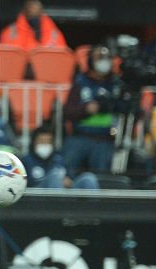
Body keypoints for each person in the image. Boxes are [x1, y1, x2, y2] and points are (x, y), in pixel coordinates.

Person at [62, 45, 122, 175]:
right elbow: (67, 112)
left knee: (102, 176)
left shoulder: (116, 85)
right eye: (99, 57)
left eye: (107, 58)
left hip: (105, 139)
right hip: (80, 136)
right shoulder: (80, 82)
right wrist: (86, 109)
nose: (104, 61)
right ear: (90, 60)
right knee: (66, 167)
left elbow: (124, 109)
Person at [21, 126, 99, 189]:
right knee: (54, 176)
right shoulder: (26, 161)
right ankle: (58, 208)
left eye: (48, 142)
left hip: (65, 193)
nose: (45, 145)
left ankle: (93, 208)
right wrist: (53, 180)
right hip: (38, 199)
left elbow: (71, 178)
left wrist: (68, 181)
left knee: (88, 178)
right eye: (42, 141)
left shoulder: (59, 160)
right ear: (33, 143)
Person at [0, 0, 68, 50]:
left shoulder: (54, 34)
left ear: (42, 13)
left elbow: (59, 60)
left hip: (45, 68)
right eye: (30, 14)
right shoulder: (9, 33)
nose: (34, 18)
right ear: (24, 12)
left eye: (37, 14)